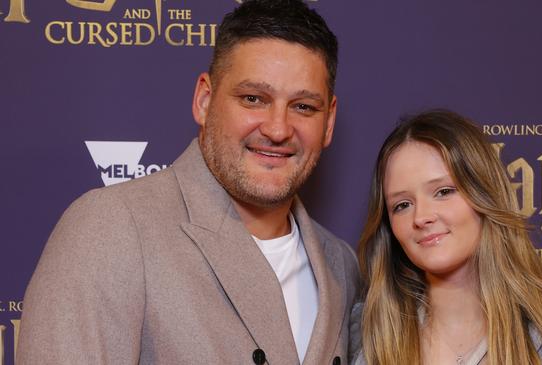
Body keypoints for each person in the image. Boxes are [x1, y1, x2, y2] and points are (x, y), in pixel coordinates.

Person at [17, 1, 359, 364]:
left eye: (303, 106)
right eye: (253, 99)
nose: (278, 129)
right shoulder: (111, 228)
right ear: (204, 100)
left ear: (329, 122)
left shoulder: (341, 264)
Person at [350, 110, 542, 365]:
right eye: (402, 205)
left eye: (444, 191)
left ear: (485, 195)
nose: (421, 217)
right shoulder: (365, 345)